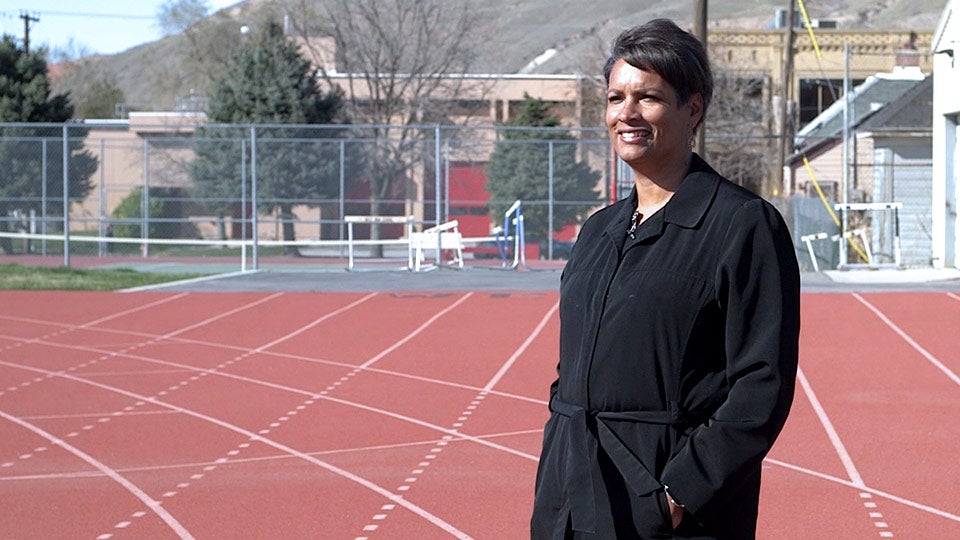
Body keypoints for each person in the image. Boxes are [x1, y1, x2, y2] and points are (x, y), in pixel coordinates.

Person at [531, 19, 800, 539]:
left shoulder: (742, 225)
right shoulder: (598, 231)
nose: (625, 114)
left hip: (665, 506)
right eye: (615, 98)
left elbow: (761, 384)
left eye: (648, 98)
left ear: (692, 108)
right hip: (570, 494)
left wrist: (679, 494)